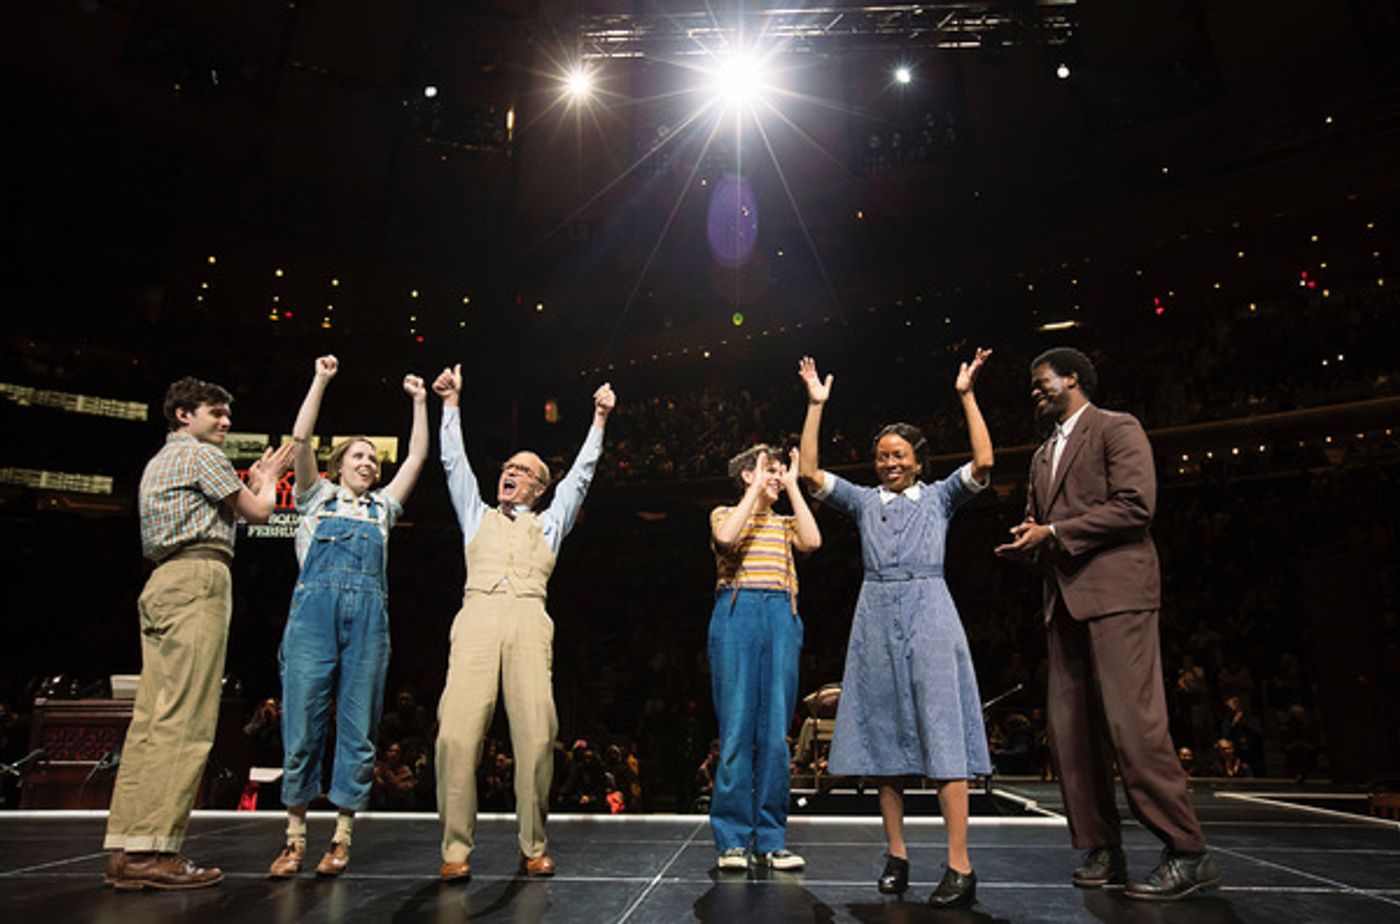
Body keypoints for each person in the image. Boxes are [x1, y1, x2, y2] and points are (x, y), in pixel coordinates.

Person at [995, 346, 1219, 901]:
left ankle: (1187, 851)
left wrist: (1055, 533)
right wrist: (1030, 540)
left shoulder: (1118, 428)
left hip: (1118, 595)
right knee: (1070, 736)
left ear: (1074, 377)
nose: (1034, 390)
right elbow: (1041, 523)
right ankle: (1102, 847)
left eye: (1041, 380)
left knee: (1133, 726)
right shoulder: (1042, 455)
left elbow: (1136, 506)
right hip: (1064, 602)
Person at [798, 350, 994, 908]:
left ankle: (960, 864)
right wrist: (816, 406)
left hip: (930, 611)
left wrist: (966, 396)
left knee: (943, 736)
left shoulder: (939, 499)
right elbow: (810, 473)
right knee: (886, 741)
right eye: (883, 455)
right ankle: (897, 854)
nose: (890, 463)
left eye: (900, 455)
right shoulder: (863, 503)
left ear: (917, 460)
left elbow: (983, 461)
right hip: (876, 617)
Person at [104, 376, 293, 891]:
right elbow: (259, 512)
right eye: (216, 413)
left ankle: (126, 847)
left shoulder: (160, 459)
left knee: (151, 719)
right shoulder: (199, 454)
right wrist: (267, 477)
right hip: (197, 578)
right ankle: (155, 850)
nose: (226, 423)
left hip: (162, 581)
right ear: (184, 415)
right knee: (186, 718)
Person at [432, 363, 615, 882]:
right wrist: (451, 406)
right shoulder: (477, 515)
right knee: (455, 738)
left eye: (523, 471)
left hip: (530, 622)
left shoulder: (550, 524)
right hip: (477, 620)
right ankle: (455, 849)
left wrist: (599, 419)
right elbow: (454, 466)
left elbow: (580, 477)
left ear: (539, 488)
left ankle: (532, 844)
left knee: (536, 737)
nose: (510, 474)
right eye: (507, 467)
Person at [268, 355, 428, 878]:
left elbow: (418, 456)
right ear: (338, 465)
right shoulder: (315, 497)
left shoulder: (383, 508)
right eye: (358, 456)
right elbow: (300, 436)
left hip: (367, 625)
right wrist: (320, 379)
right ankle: (293, 839)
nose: (368, 463)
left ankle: (340, 838)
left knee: (359, 729)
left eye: (373, 459)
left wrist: (420, 403)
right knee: (302, 725)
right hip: (312, 618)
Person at [707, 444, 821, 871]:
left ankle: (772, 838)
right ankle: (732, 839)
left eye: (777, 471)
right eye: (768, 470)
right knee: (736, 730)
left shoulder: (784, 521)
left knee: (774, 734)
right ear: (746, 476)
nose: (775, 476)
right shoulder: (724, 512)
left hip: (780, 615)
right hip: (737, 613)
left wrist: (791, 486)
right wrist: (755, 489)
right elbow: (725, 538)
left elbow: (812, 540)